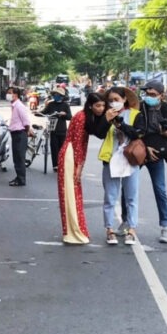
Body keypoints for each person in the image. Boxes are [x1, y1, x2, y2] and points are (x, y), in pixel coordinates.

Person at [94, 87, 143, 246]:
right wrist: (106, 120)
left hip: (130, 159)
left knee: (131, 197)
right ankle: (109, 230)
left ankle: (131, 230)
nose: (113, 102)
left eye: (116, 99)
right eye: (110, 100)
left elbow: (137, 134)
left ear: (124, 100)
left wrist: (121, 125)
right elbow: (99, 134)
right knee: (110, 196)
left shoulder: (135, 114)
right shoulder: (106, 115)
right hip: (111, 160)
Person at [138, 79, 167, 243]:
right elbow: (132, 130)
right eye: (146, 94)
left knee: (160, 190)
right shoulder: (139, 107)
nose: (148, 97)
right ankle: (126, 221)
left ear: (162, 95)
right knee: (128, 189)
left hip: (158, 153)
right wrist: (144, 148)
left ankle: (165, 226)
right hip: (138, 152)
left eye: (152, 94)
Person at [56, 92, 105, 244]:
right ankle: (74, 232)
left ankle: (76, 230)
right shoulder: (82, 117)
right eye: (98, 105)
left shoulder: (84, 116)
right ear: (90, 105)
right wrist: (79, 166)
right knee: (70, 195)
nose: (101, 108)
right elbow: (78, 144)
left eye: (103, 105)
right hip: (70, 155)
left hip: (71, 155)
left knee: (74, 194)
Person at [41, 86, 72, 172]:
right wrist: (37, 112)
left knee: (62, 148)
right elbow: (44, 112)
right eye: (55, 94)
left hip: (62, 130)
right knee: (54, 147)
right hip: (53, 129)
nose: (56, 96)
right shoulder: (51, 104)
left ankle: (62, 164)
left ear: (62, 96)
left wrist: (64, 114)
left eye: (57, 94)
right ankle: (55, 165)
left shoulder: (65, 105)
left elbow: (70, 117)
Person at [7, 86, 32, 187]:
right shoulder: (14, 105)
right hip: (15, 133)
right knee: (16, 158)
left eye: (10, 93)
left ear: (15, 94)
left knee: (20, 158)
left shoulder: (19, 106)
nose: (8, 95)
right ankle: (18, 177)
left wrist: (27, 131)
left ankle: (21, 180)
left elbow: (26, 121)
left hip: (20, 133)